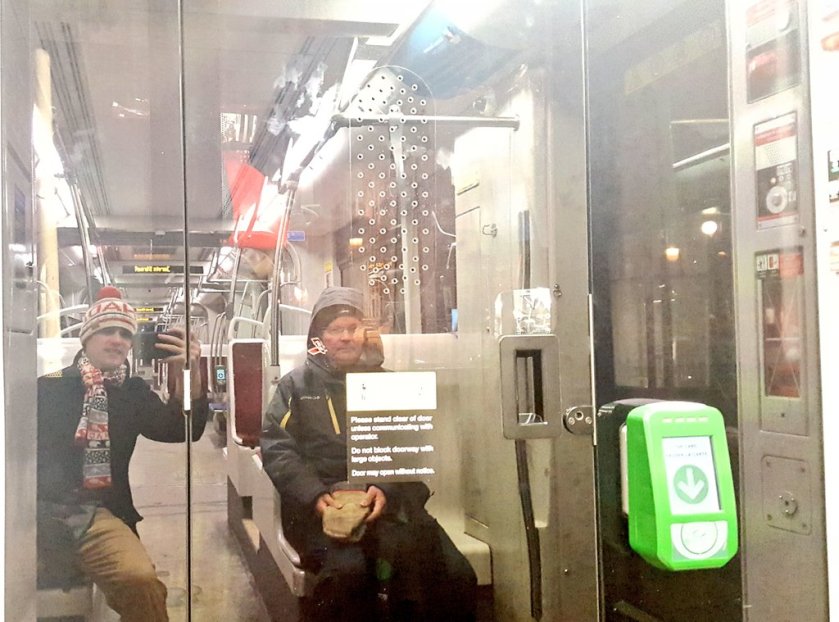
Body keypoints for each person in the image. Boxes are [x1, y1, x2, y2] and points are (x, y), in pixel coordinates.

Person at [261, 286, 477, 622]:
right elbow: (277, 447)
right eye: (335, 330)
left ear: (367, 333)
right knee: (349, 575)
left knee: (456, 573)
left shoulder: (389, 384)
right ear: (319, 337)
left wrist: (385, 488)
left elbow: (409, 447)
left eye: (353, 328)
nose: (345, 337)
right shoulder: (295, 387)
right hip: (324, 507)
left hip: (389, 503)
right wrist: (315, 496)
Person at [37, 286, 208, 622]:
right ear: (87, 337)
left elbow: (181, 430)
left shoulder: (132, 391)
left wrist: (190, 374)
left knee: (141, 580)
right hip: (37, 511)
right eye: (107, 331)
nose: (117, 340)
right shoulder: (51, 385)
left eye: (125, 334)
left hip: (99, 512)